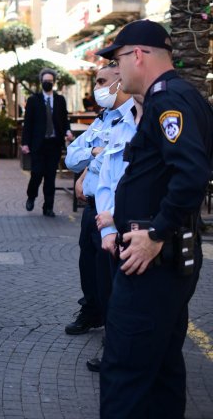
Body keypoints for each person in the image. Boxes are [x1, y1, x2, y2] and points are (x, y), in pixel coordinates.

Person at [95, 19, 213, 417]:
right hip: (166, 262)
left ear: (139, 55)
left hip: (153, 263)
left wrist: (156, 232)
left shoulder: (166, 101)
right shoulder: (185, 96)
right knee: (161, 369)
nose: (115, 71)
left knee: (125, 371)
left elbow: (191, 173)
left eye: (118, 60)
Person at [64, 65, 134, 337]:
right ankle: (92, 312)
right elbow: (71, 156)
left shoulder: (134, 118)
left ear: (120, 80)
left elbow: (120, 162)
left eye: (102, 81)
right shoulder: (104, 119)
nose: (97, 88)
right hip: (92, 207)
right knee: (89, 266)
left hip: (115, 210)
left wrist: (91, 161)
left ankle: (114, 334)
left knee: (110, 275)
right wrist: (92, 154)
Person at [87, 81, 143, 373]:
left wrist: (115, 218)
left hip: (142, 233)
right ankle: (114, 351)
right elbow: (108, 179)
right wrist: (108, 230)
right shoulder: (120, 124)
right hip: (113, 231)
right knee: (113, 297)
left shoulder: (156, 123)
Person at [21, 68, 73, 217]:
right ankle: (31, 196)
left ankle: (48, 207)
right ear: (41, 82)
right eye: (45, 81)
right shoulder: (33, 100)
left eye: (50, 81)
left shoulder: (60, 100)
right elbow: (28, 123)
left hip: (54, 144)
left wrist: (67, 131)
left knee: (50, 177)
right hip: (38, 144)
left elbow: (64, 120)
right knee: (36, 174)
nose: (47, 84)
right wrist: (25, 143)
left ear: (54, 82)